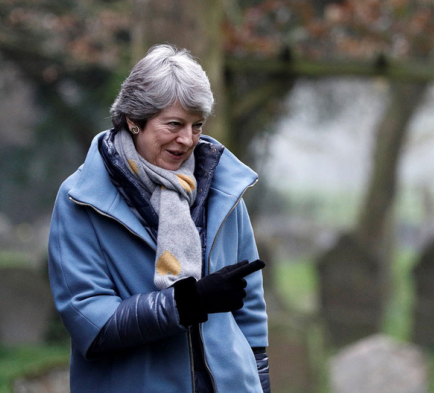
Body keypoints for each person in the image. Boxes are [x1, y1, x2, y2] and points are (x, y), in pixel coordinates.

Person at [48, 44, 270, 393]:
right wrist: (186, 303)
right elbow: (89, 320)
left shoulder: (223, 187)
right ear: (134, 120)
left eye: (197, 125)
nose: (187, 140)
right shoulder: (81, 199)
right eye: (174, 124)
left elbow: (251, 311)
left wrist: (261, 381)